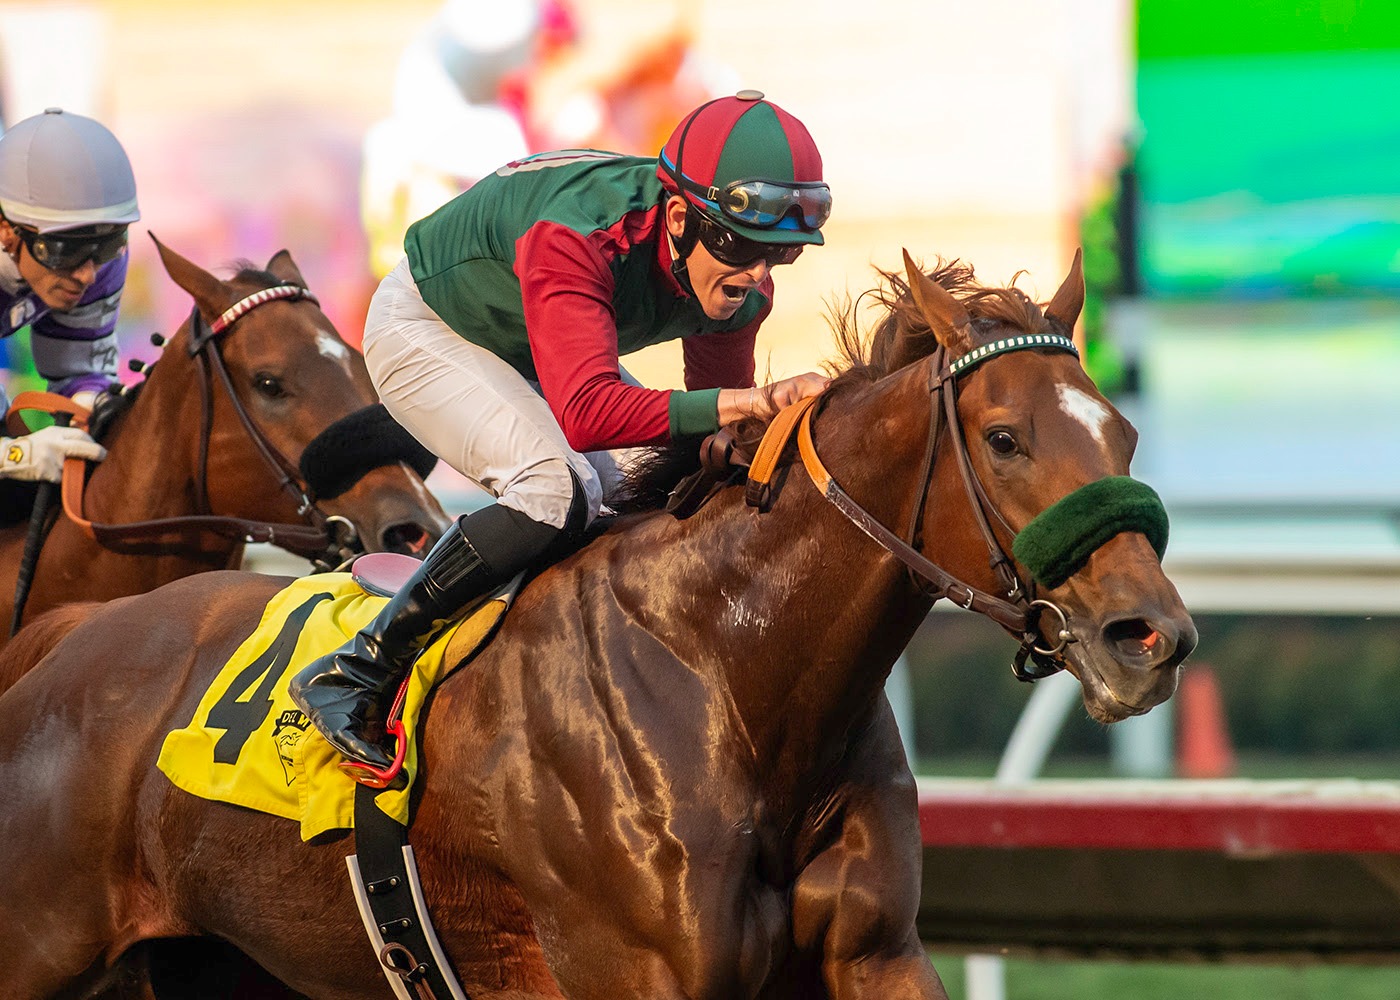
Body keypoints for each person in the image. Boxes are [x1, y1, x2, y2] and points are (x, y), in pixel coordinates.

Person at [292, 90, 833, 778]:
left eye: (781, 256)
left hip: (534, 347)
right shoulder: (577, 233)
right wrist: (745, 402)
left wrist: (746, 434)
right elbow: (588, 415)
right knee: (555, 489)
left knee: (655, 485)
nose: (759, 276)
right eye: (745, 247)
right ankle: (357, 670)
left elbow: (705, 426)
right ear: (676, 217)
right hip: (428, 328)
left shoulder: (738, 285)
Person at [0, 107, 137, 482]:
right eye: (65, 251)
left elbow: (81, 374)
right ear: (6, 230)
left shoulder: (100, 266)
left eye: (106, 245)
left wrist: (97, 408)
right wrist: (12, 454)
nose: (87, 274)